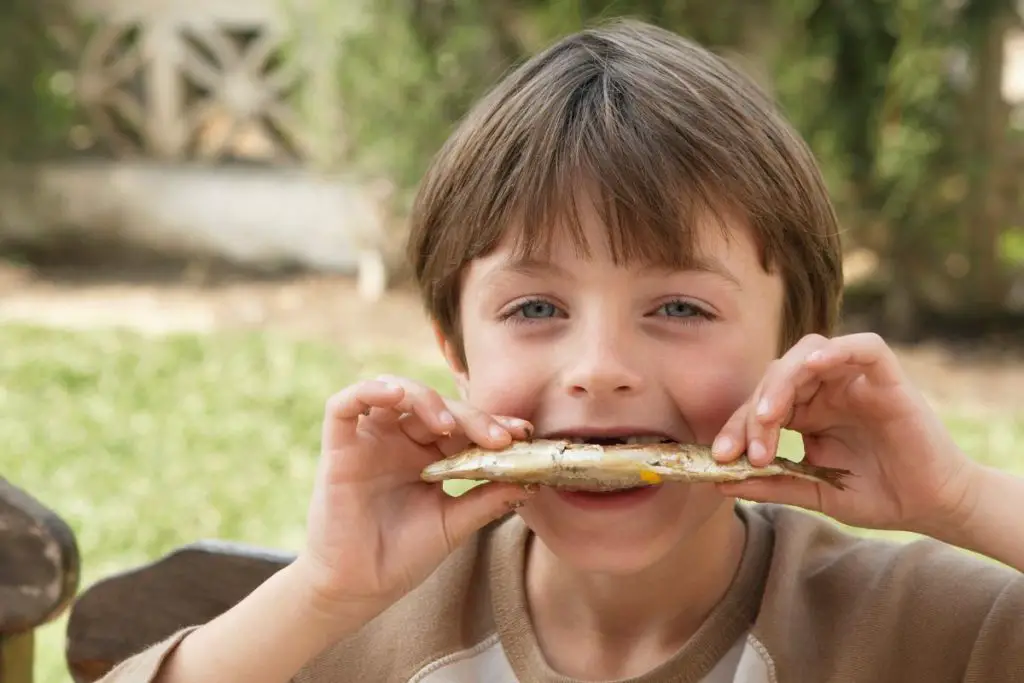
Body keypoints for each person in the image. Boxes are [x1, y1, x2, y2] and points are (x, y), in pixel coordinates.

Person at [99, 19, 1024, 683]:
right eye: (537, 305)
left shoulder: (927, 628)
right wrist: (322, 594)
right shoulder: (362, 633)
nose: (600, 364)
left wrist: (966, 500)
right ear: (453, 349)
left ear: (794, 352)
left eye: (680, 305)